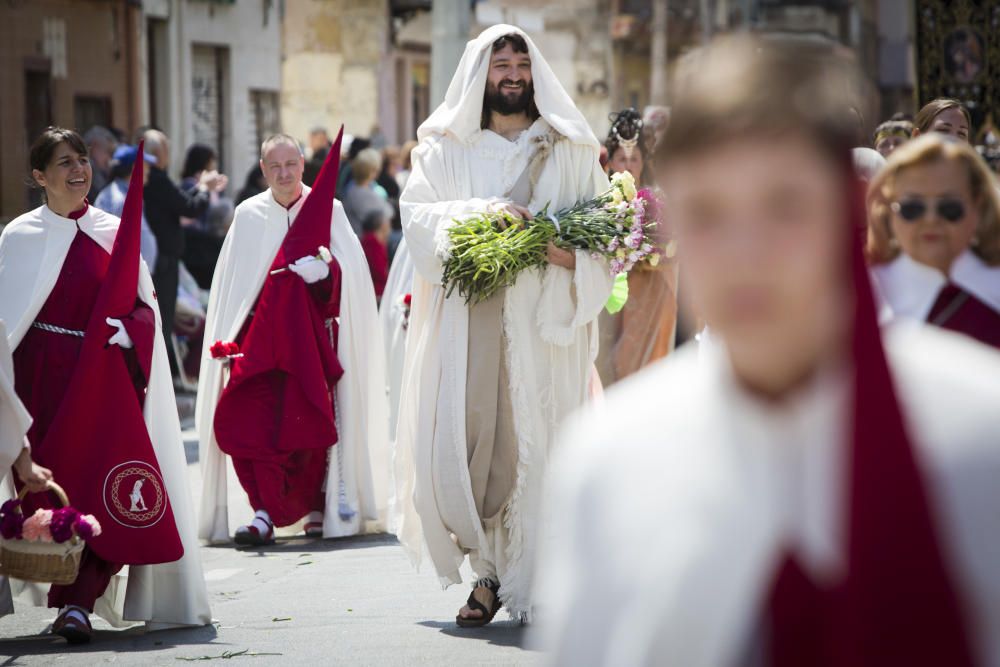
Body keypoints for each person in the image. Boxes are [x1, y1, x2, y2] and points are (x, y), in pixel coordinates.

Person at [535, 36, 1000, 666]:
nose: (745, 254)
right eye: (709, 214)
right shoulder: (608, 461)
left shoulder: (980, 437)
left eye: (783, 207)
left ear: (849, 212)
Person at [393, 25, 613, 626]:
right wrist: (486, 212)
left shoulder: (568, 147)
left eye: (521, 62)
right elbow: (417, 222)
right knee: (479, 441)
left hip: (546, 329)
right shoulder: (444, 149)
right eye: (500, 64)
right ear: (480, 75)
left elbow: (607, 236)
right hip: (473, 324)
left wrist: (562, 253)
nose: (512, 73)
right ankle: (489, 575)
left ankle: (542, 578)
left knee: (545, 441)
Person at [0, 128, 210, 642]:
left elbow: (146, 309)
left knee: (101, 485)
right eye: (64, 163)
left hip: (103, 379)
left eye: (83, 160)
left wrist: (127, 330)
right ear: (39, 177)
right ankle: (63, 589)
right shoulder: (18, 237)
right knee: (45, 488)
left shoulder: (112, 231)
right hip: (38, 383)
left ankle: (79, 603)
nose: (78, 170)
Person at [195, 132, 389, 546]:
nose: (284, 174)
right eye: (274, 166)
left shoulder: (329, 210)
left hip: (311, 343)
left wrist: (326, 275)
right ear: (263, 169)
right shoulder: (248, 214)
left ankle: (315, 507)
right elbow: (233, 284)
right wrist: (228, 339)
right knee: (253, 424)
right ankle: (263, 512)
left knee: (308, 425)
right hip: (257, 342)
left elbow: (351, 278)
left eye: (291, 165)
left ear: (303, 165)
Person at [868, 133, 1000, 348]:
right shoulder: (859, 296)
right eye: (912, 208)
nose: (930, 220)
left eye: (949, 207)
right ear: (888, 210)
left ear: (978, 206)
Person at [601, 108, 678, 383]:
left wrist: (649, 250)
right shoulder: (596, 203)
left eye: (635, 159)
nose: (629, 166)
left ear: (644, 162)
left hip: (647, 297)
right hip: (606, 298)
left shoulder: (657, 201)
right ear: (610, 162)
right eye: (622, 158)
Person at [142, 129, 221, 376]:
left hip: (162, 261)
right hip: (162, 263)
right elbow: (190, 207)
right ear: (159, 154)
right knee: (162, 321)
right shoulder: (156, 179)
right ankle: (166, 379)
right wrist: (205, 189)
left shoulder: (153, 179)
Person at [94, 144, 160, 269]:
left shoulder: (124, 195)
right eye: (145, 165)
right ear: (135, 167)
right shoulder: (121, 200)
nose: (149, 170)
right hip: (127, 275)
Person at [340, 148, 393, 237]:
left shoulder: (355, 188)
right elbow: (388, 213)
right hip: (364, 242)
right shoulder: (361, 192)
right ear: (372, 170)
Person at [360, 210, 390, 301]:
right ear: (382, 225)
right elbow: (379, 271)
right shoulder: (372, 242)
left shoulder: (370, 240)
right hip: (377, 292)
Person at [83, 126, 117, 203]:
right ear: (94, 147)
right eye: (108, 151)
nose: (109, 158)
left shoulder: (101, 170)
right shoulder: (85, 171)